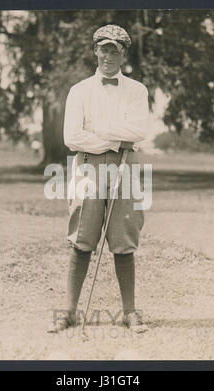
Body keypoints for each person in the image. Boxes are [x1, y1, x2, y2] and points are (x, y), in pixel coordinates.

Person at [48, 25, 149, 334]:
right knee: (82, 239)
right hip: (88, 168)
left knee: (123, 240)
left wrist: (99, 132)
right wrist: (113, 138)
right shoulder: (79, 90)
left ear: (123, 54)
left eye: (115, 49)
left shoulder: (137, 90)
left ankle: (129, 312)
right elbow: (71, 138)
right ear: (95, 51)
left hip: (126, 169)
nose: (109, 54)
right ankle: (69, 312)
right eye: (104, 48)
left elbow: (139, 131)